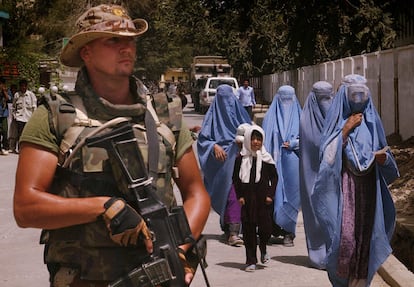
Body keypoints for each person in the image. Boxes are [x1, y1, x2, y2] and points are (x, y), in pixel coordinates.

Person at [13, 4, 210, 287]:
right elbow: (25, 206)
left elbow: (197, 194)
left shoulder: (165, 114)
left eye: (130, 40)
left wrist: (178, 250)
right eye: (113, 40)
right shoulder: (57, 115)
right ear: (86, 52)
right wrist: (102, 207)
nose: (126, 48)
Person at [312, 74, 399, 287]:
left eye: (363, 95)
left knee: (367, 239)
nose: (359, 100)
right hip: (345, 190)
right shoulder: (338, 121)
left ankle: (360, 282)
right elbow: (326, 155)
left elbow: (385, 152)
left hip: (370, 190)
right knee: (346, 240)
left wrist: (383, 158)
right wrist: (345, 130)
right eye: (354, 95)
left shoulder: (372, 121)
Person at [197, 84, 251, 246]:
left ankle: (234, 231)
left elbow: (253, 135)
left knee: (234, 194)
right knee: (226, 195)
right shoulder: (211, 118)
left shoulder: (242, 116)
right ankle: (229, 228)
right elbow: (203, 139)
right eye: (222, 98)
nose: (226, 103)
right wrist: (214, 146)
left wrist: (244, 144)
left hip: (239, 163)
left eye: (229, 98)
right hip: (220, 166)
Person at [299, 81, 335, 269]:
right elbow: (312, 145)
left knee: (332, 213)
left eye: (329, 98)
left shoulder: (337, 119)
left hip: (332, 177)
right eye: (323, 98)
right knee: (315, 213)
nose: (327, 102)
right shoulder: (306, 121)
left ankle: (333, 253)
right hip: (311, 175)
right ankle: (318, 254)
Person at [233, 124, 278, 272]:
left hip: (263, 200)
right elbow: (235, 179)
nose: (256, 142)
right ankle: (251, 260)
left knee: (265, 229)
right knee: (248, 231)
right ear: (247, 140)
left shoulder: (266, 158)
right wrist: (239, 196)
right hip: (247, 200)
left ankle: (263, 247)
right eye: (253, 139)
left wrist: (270, 195)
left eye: (259, 139)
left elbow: (274, 178)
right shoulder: (240, 159)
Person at [262, 85, 302, 247]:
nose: (286, 103)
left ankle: (289, 233)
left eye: (289, 99)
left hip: (293, 165)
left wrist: (293, 143)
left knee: (291, 197)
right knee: (274, 196)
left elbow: (309, 140)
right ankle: (275, 230)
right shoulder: (269, 118)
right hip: (273, 164)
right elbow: (262, 140)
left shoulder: (302, 117)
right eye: (283, 99)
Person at [12, 78, 37, 153]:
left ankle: (27, 149)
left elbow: (34, 106)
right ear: (20, 87)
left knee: (28, 135)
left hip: (28, 118)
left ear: (26, 86)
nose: (23, 88)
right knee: (20, 134)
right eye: (22, 86)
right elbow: (14, 107)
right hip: (19, 118)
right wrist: (15, 116)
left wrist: (34, 118)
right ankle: (20, 149)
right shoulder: (17, 95)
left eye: (24, 86)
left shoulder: (31, 95)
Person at [0, 77, 10, 155]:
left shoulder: (6, 91)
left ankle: (5, 146)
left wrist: (4, 91)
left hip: (4, 114)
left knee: (5, 130)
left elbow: (8, 99)